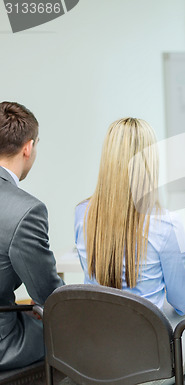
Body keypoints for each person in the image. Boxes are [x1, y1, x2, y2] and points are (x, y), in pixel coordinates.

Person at [74, 118, 185, 381]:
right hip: (147, 357)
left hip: (95, 349)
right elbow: (183, 302)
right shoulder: (165, 224)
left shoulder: (82, 214)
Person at [0, 101, 64, 370]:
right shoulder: (25, 210)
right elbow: (49, 296)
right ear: (28, 147)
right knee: (80, 334)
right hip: (5, 344)